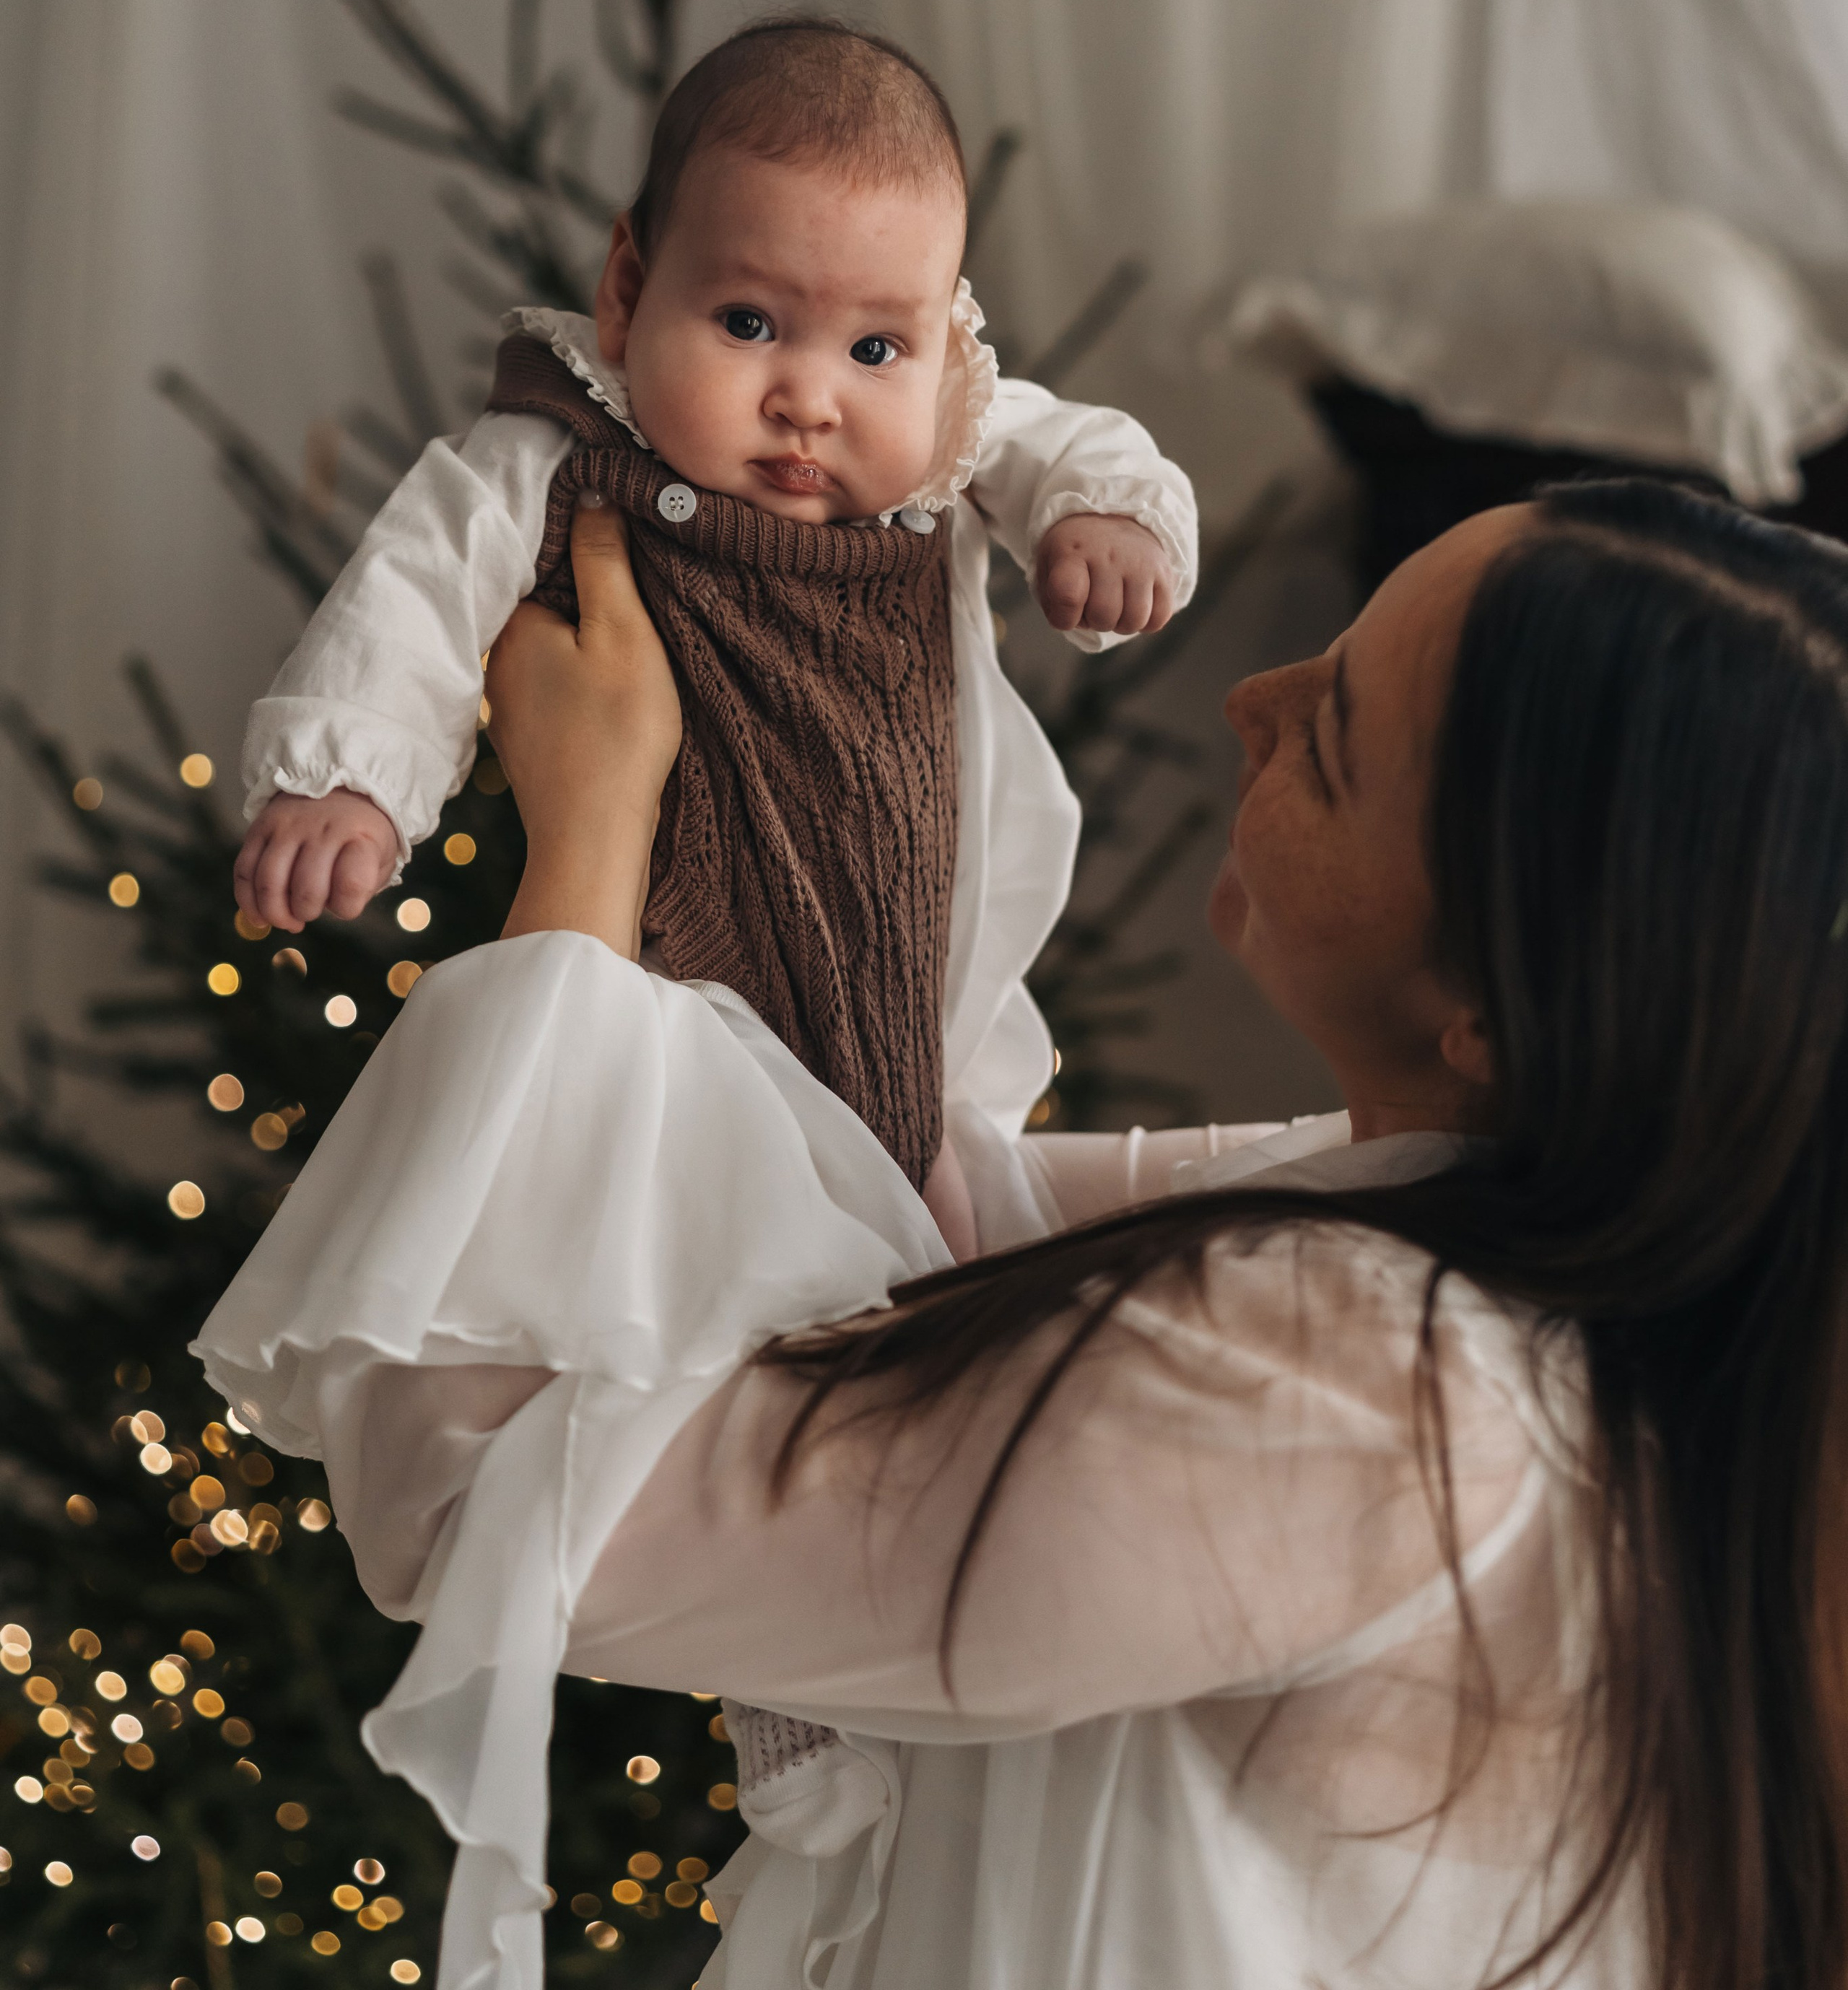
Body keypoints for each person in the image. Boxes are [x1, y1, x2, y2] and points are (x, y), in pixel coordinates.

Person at [197, 476, 1848, 1990]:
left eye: (1329, 735)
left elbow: (483, 1492)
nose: (1247, 700)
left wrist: (591, 839)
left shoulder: (1360, 1384)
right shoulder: (1548, 1242)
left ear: (1495, 1009)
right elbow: (923, 1209)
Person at [232, 15, 1197, 1262]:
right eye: (749, 323)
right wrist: (352, 775)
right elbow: (420, 581)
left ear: (943, 342)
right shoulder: (562, 445)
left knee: (936, 1255)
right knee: (702, 1247)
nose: (811, 395)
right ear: (629, 293)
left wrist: (1106, 518)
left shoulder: (950, 436)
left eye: (874, 347)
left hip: (896, 994)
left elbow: (1076, 444)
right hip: (672, 1000)